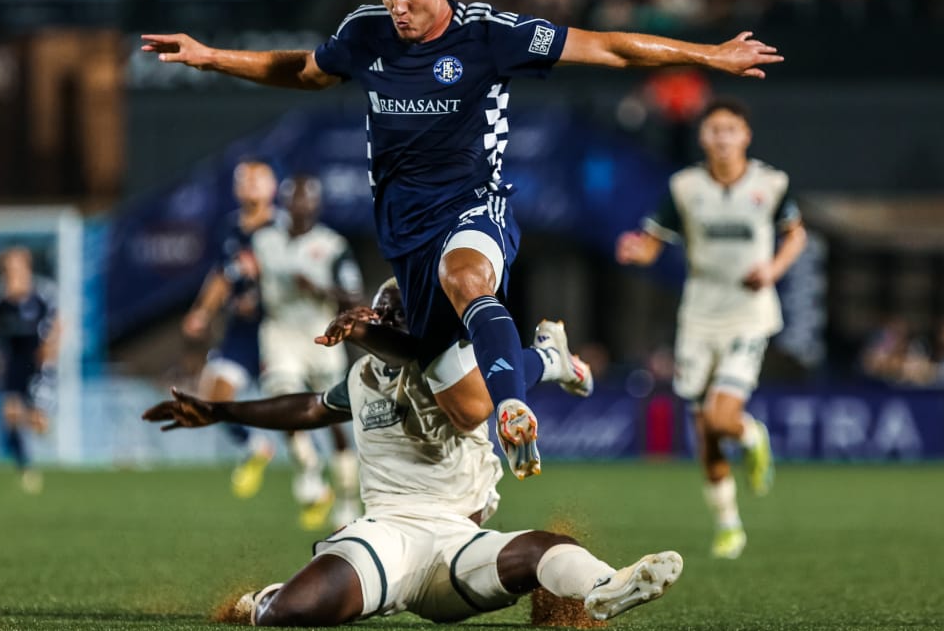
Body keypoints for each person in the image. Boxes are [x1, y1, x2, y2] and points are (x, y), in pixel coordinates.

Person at [142, 0, 782, 479]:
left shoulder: (490, 36)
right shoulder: (366, 33)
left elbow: (607, 46)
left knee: (466, 278)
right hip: (404, 230)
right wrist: (210, 58)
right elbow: (305, 70)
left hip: (476, 207)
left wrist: (710, 55)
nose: (397, 9)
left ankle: (515, 407)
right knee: (466, 404)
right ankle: (545, 360)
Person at [142, 280, 678, 627]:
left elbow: (417, 352)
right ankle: (265, 600)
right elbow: (309, 407)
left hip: (457, 541)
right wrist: (220, 410)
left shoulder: (451, 363)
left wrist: (366, 330)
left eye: (405, 316)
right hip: (388, 534)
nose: (395, 322)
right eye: (387, 315)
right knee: (291, 612)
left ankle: (607, 584)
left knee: (544, 547)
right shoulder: (363, 375)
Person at [616, 97, 806, 559]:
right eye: (714, 130)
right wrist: (635, 251)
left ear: (746, 136)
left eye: (730, 129)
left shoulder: (771, 183)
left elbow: (796, 234)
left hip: (749, 314)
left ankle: (751, 435)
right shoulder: (685, 187)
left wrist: (773, 270)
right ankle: (728, 524)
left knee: (723, 418)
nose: (722, 138)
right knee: (705, 431)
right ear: (703, 137)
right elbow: (652, 244)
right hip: (698, 318)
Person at [249, 173, 366, 529]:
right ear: (286, 202)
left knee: (333, 419)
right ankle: (309, 469)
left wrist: (318, 288)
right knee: (282, 400)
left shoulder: (332, 245)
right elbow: (251, 279)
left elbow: (354, 297)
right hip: (280, 329)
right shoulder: (264, 240)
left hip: (320, 332)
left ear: (316, 204)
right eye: (295, 199)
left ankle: (347, 499)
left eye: (307, 199)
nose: (301, 206)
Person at [182, 158, 278, 499]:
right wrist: (202, 312)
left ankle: (316, 483)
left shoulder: (282, 229)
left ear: (272, 188)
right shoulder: (229, 229)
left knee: (292, 406)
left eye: (257, 179)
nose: (249, 185)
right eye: (244, 180)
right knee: (213, 398)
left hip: (277, 328)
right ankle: (255, 447)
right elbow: (221, 276)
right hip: (241, 330)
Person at [0, 246, 60, 494]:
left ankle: (40, 420)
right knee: (9, 414)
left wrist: (51, 351)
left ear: (27, 267)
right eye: (8, 268)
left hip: (39, 361)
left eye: (17, 266)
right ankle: (26, 469)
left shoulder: (44, 292)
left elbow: (58, 325)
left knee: (38, 423)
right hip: (11, 360)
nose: (13, 272)